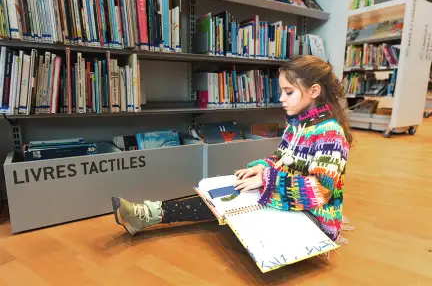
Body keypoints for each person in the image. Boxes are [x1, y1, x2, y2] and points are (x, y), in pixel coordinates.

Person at [111, 55, 353, 243]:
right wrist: (262, 168)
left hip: (314, 221)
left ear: (314, 91)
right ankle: (149, 213)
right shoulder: (297, 124)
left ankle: (148, 215)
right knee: (228, 189)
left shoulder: (330, 133)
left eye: (288, 92)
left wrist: (267, 180)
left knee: (234, 201)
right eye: (281, 91)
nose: (281, 98)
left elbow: (320, 190)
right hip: (287, 199)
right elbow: (280, 160)